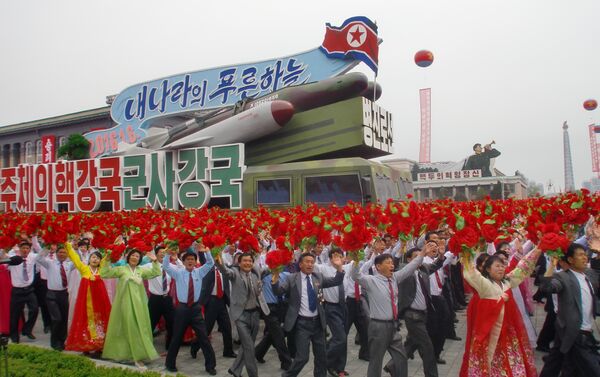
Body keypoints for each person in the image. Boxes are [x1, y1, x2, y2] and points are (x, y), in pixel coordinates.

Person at [460, 245, 541, 377]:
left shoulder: (507, 282)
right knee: (487, 363)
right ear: (487, 269)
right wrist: (466, 252)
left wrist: (538, 248)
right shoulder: (484, 285)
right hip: (488, 334)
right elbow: (471, 273)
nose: (501, 268)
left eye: (503, 266)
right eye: (497, 266)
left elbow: (522, 269)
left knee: (512, 363)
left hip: (508, 332)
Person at [351, 248, 426, 377]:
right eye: (387, 263)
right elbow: (356, 276)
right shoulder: (371, 281)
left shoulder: (395, 278)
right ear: (378, 267)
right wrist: (356, 261)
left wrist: (422, 254)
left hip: (393, 325)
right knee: (376, 361)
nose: (392, 265)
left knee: (401, 357)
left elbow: (410, 268)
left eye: (392, 263)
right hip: (378, 327)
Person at [272, 252, 345, 377]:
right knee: (302, 357)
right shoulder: (292, 278)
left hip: (318, 323)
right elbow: (279, 291)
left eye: (312, 262)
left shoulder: (318, 277)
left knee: (321, 358)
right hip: (302, 324)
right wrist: (275, 280)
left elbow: (336, 281)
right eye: (307, 261)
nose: (310, 264)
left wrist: (339, 268)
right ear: (300, 264)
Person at [539, 243, 600, 377]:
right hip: (576, 332)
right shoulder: (563, 277)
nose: (585, 258)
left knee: (563, 366)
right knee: (593, 369)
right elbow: (547, 287)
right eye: (580, 255)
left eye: (585, 254)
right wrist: (552, 265)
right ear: (570, 260)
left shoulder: (588, 275)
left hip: (582, 331)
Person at [100, 248, 161, 369]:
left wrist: (155, 262)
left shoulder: (141, 270)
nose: (134, 258)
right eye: (132, 255)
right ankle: (126, 354)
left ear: (140, 259)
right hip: (125, 305)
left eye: (137, 256)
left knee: (138, 328)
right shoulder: (121, 269)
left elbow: (156, 273)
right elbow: (104, 273)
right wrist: (106, 259)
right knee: (127, 328)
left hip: (139, 306)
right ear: (128, 257)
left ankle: (138, 356)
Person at [162, 246, 217, 375]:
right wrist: (167, 254)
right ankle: (170, 364)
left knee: (204, 337)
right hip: (182, 309)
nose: (190, 261)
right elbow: (166, 266)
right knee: (177, 337)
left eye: (192, 259)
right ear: (184, 261)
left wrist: (207, 251)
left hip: (196, 309)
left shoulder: (199, 272)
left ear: (195, 261)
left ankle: (210, 365)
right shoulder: (178, 272)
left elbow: (210, 263)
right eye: (187, 259)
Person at [215, 252, 270, 377]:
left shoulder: (256, 274)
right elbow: (225, 271)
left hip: (255, 314)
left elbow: (269, 269)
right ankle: (253, 374)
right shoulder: (235, 273)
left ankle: (235, 369)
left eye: (250, 261)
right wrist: (218, 260)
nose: (247, 263)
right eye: (244, 261)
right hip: (241, 315)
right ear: (239, 263)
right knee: (249, 347)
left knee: (247, 345)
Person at [393, 244, 443, 377]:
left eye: (420, 256)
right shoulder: (404, 274)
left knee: (411, 344)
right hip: (412, 316)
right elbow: (396, 264)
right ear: (409, 260)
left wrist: (442, 255)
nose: (420, 259)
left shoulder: (424, 269)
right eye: (416, 257)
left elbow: (436, 265)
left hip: (425, 314)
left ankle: (392, 366)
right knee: (427, 348)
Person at [64, 241, 111, 354]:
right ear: (89, 259)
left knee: (99, 322)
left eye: (97, 258)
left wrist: (115, 245)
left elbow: (108, 256)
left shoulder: (100, 270)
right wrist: (68, 245)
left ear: (100, 261)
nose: (95, 259)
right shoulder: (84, 269)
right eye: (93, 257)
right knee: (86, 322)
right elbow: (74, 257)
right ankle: (86, 346)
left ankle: (99, 345)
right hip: (86, 303)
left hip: (99, 303)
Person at [313, 246, 350, 377]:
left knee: (342, 338)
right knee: (340, 338)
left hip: (344, 306)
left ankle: (340, 368)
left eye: (340, 255)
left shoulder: (347, 268)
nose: (337, 258)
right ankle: (324, 361)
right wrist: (309, 247)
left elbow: (362, 264)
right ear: (329, 258)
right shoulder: (323, 268)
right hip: (331, 307)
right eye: (334, 256)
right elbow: (311, 263)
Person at [197, 253, 236, 359]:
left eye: (218, 256)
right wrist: (201, 251)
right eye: (215, 257)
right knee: (207, 328)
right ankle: (195, 347)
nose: (217, 258)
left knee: (227, 327)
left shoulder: (223, 270)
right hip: (211, 301)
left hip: (222, 300)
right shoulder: (208, 269)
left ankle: (228, 351)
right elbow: (202, 260)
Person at [35, 244, 73, 351]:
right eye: (60, 252)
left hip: (64, 294)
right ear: (56, 254)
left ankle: (62, 340)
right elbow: (39, 258)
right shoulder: (50, 263)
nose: (62, 254)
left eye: (64, 252)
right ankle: (54, 341)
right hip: (52, 295)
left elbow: (80, 262)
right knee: (56, 318)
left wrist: (71, 248)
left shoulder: (69, 265)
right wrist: (47, 247)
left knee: (64, 319)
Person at [143, 245, 175, 353]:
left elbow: (182, 269)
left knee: (171, 323)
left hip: (167, 298)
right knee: (150, 323)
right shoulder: (148, 266)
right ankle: (145, 347)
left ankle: (170, 346)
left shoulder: (170, 266)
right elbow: (136, 269)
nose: (162, 254)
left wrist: (177, 259)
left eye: (165, 252)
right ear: (155, 254)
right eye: (160, 252)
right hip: (154, 300)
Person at [7, 241, 40, 343]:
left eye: (27, 248)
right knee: (15, 315)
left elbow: (43, 253)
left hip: (29, 290)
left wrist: (34, 238)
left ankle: (27, 329)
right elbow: (2, 256)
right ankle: (14, 336)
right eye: (23, 248)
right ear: (19, 249)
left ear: (29, 250)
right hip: (17, 291)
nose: (25, 250)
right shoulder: (13, 258)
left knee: (35, 309)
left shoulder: (32, 257)